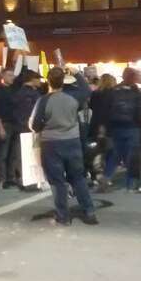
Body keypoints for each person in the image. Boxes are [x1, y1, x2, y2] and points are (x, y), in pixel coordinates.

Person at [30, 66, 98, 226]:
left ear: (48, 81)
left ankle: (63, 215)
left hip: (51, 143)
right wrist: (76, 73)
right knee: (78, 178)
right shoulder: (73, 97)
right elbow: (87, 90)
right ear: (63, 81)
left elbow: (35, 124)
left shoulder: (43, 100)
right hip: (72, 141)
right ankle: (89, 211)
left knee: (57, 181)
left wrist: (43, 127)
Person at [102, 67, 141, 191]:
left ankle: (106, 177)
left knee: (116, 154)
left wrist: (107, 129)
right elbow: (140, 112)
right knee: (132, 156)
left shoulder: (113, 91)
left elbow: (106, 111)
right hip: (132, 128)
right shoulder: (136, 93)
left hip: (116, 128)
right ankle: (131, 184)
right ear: (132, 78)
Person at [13, 70, 43, 189]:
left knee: (25, 154)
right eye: (38, 79)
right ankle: (29, 180)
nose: (40, 81)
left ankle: (27, 179)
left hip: (23, 126)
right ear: (32, 79)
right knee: (29, 154)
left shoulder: (21, 92)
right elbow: (32, 111)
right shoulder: (30, 94)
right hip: (28, 128)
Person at [0, 69, 19, 189]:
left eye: (13, 75)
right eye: (9, 75)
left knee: (13, 153)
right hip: (5, 123)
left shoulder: (14, 90)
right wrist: (0, 127)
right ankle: (2, 178)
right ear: (3, 76)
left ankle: (11, 176)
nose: (12, 77)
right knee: (3, 152)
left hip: (15, 123)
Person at [88, 73, 116, 141]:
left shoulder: (95, 93)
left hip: (96, 121)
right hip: (110, 122)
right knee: (110, 145)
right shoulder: (114, 93)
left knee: (97, 145)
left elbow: (91, 106)